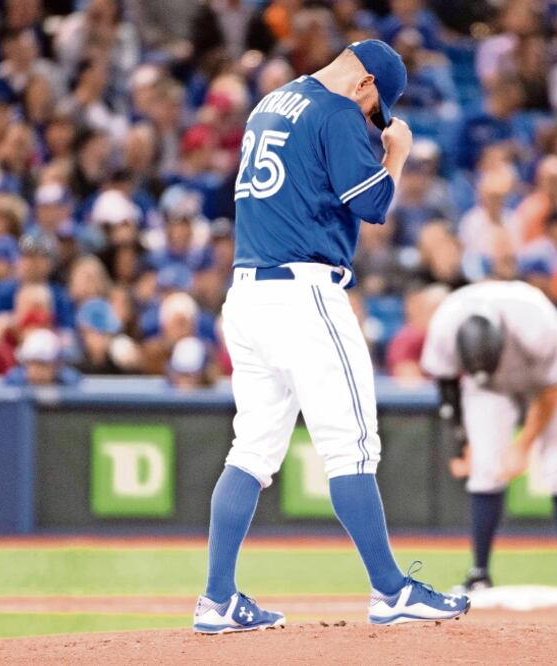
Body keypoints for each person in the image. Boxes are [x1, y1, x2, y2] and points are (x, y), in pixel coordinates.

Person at [192, 40, 468, 635]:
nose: (373, 122)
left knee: (252, 450)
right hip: (303, 293)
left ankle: (217, 600)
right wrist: (396, 155)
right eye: (376, 110)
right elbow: (373, 204)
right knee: (351, 447)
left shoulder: (272, 100)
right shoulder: (339, 110)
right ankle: (391, 591)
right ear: (367, 82)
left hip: (246, 295)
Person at [421, 281, 557, 597]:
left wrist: (522, 445)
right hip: (488, 392)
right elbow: (445, 383)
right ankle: (479, 573)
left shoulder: (536, 326)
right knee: (484, 469)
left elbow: (551, 391)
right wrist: (461, 443)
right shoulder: (444, 325)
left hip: (544, 375)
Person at [3, 327, 81, 387]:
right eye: (31, 363)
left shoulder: (68, 382)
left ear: (56, 365)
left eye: (42, 364)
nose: (36, 371)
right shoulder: (15, 381)